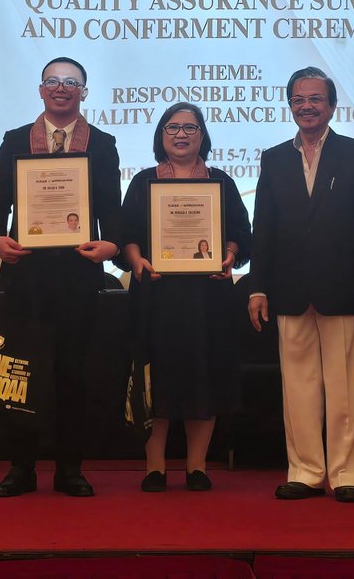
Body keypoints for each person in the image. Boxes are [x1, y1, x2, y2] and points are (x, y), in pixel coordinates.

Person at [0, 56, 123, 497]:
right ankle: (21, 467)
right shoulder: (15, 140)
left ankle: (69, 469)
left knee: (73, 373)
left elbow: (112, 207)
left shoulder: (102, 144)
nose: (61, 88)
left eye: (71, 82)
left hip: (78, 274)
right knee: (20, 370)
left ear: (84, 92)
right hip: (26, 273)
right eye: (53, 81)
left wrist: (113, 244)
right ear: (41, 90)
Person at [245, 67, 354, 504]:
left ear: (332, 106)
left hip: (345, 289)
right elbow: (264, 226)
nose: (307, 106)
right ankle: (304, 471)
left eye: (315, 99)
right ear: (290, 105)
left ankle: (346, 475)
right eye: (299, 99)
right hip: (288, 290)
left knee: (347, 389)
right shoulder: (274, 158)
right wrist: (257, 287)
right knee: (298, 388)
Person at [120, 103, 252, 492]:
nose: (181, 135)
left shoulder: (221, 182)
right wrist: (137, 261)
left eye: (190, 128)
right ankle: (155, 467)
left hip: (206, 299)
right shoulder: (143, 182)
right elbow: (126, 235)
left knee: (203, 376)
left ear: (202, 136)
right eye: (173, 127)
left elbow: (241, 234)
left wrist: (229, 254)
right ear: (161, 135)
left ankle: (197, 466)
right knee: (156, 378)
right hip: (156, 298)